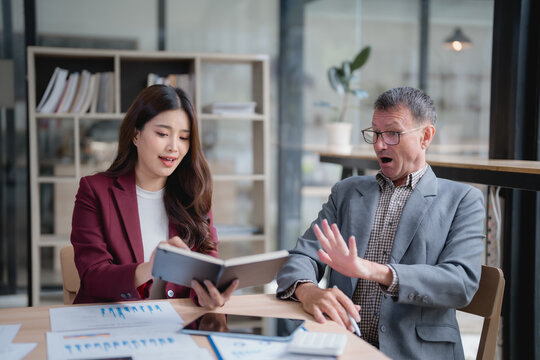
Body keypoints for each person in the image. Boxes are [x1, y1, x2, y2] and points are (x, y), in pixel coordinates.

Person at [276, 86, 484, 359]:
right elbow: (302, 256)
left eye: (392, 134)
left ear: (426, 136)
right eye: (375, 133)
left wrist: (373, 270)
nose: (379, 144)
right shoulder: (347, 192)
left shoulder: (462, 200)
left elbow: (460, 284)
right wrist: (308, 290)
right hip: (343, 348)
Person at [71, 85, 238, 307]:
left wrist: (212, 295)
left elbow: (209, 269)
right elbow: (93, 276)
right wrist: (149, 269)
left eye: (184, 137)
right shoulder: (94, 191)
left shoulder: (194, 194)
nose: (174, 147)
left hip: (177, 327)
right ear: (135, 134)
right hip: (112, 326)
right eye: (162, 134)